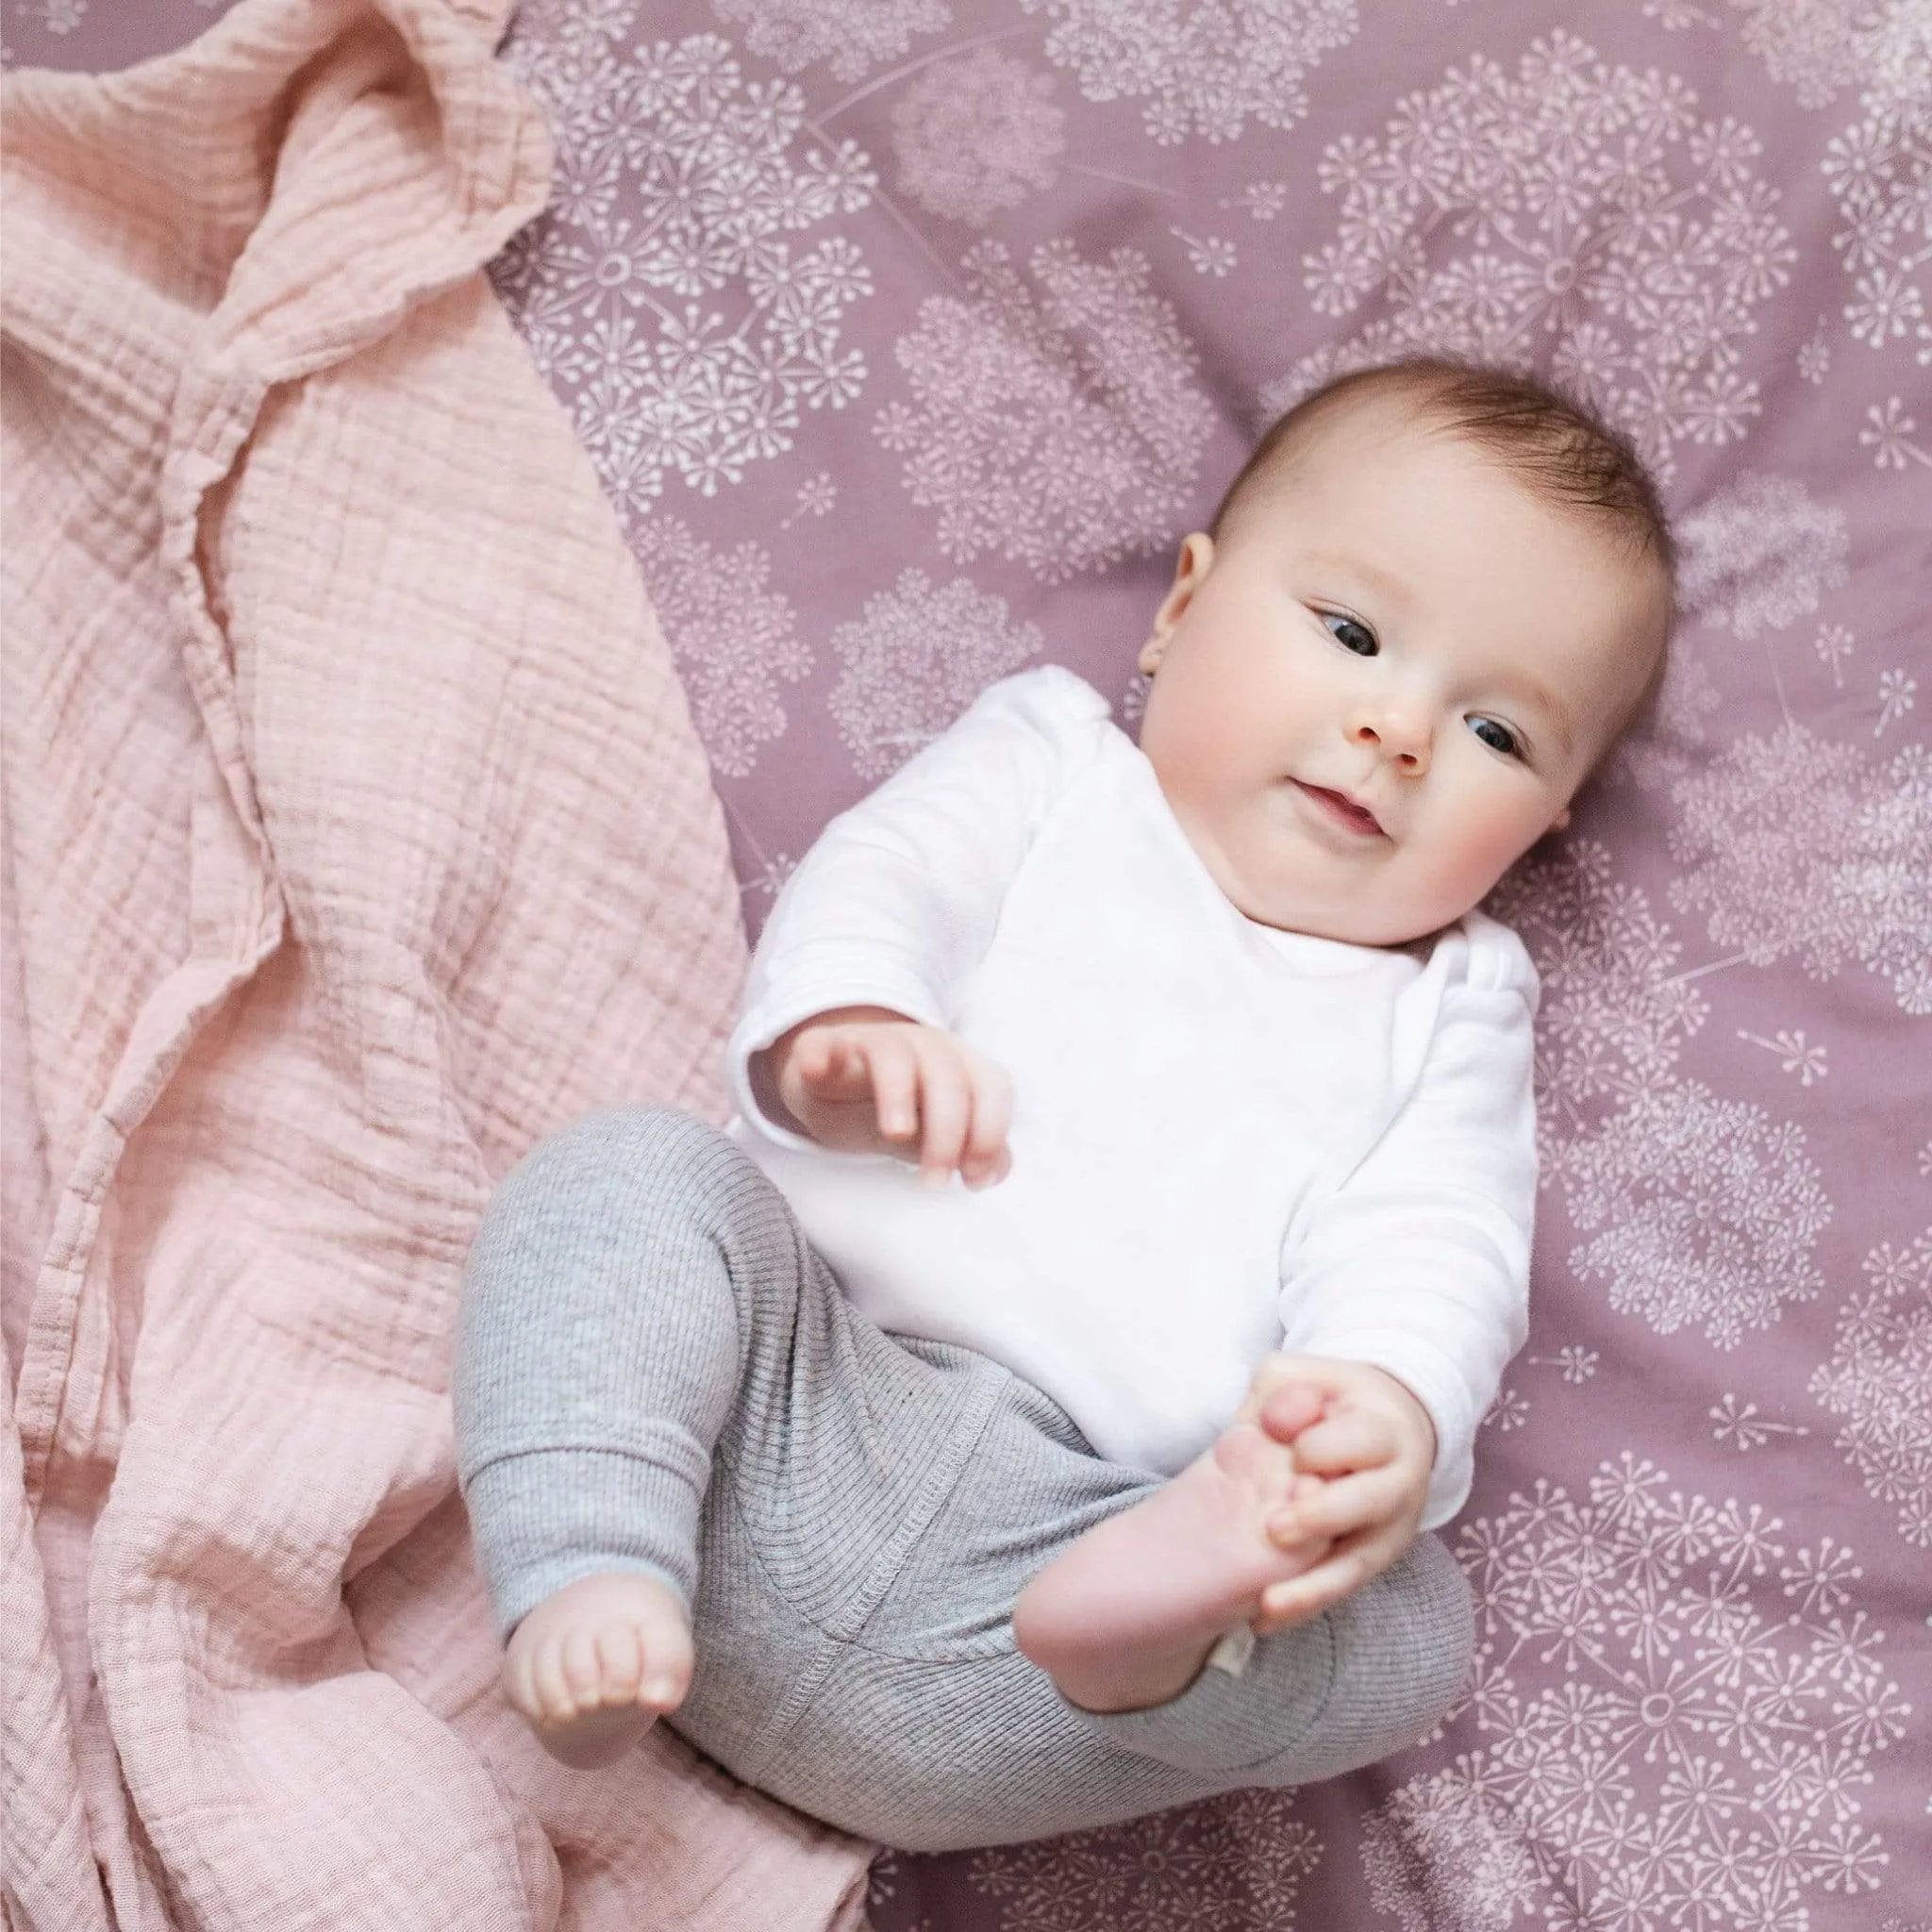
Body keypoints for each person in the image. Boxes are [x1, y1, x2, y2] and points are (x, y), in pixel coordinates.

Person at [453, 358, 1674, 1851]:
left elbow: (1442, 1239)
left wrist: (1380, 1409)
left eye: (1498, 733)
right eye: (1352, 634)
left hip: (1052, 1586)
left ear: (1545, 826)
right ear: (1180, 611)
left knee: (1418, 1628)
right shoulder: (1050, 769)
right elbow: (887, 875)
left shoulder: (1452, 1014)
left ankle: (1147, 1651)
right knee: (627, 1179)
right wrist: (854, 1026)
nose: (1399, 731)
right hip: (773, 1405)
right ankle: (588, 1555)